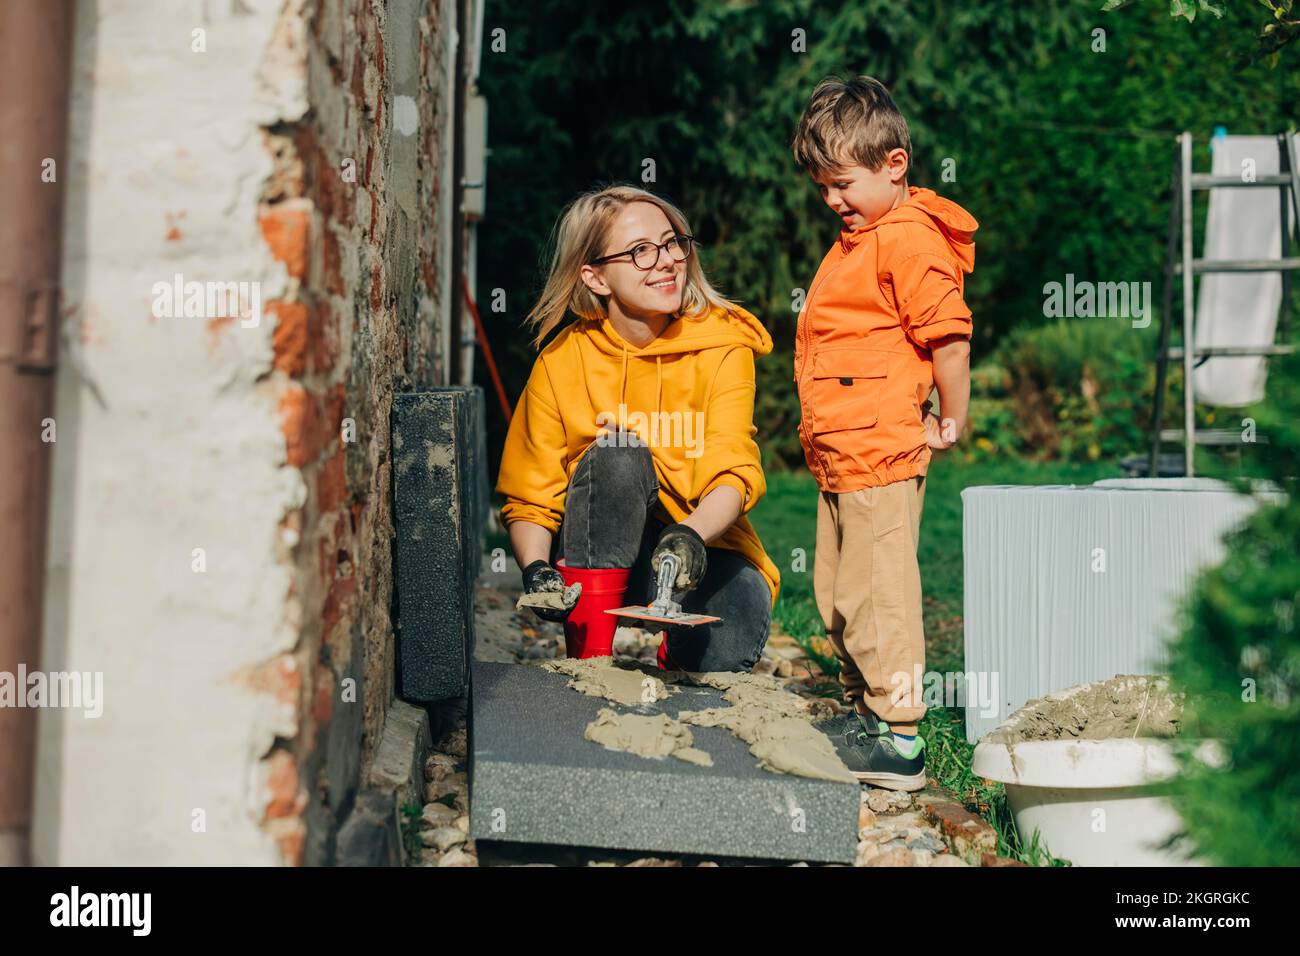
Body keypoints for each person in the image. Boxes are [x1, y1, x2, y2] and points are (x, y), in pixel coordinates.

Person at [495, 185, 780, 671]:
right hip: (596, 547)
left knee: (737, 622)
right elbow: (530, 494)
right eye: (640, 251)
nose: (666, 260)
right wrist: (539, 569)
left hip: (697, 541)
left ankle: (674, 646)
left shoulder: (723, 345)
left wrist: (690, 536)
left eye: (671, 243)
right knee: (619, 453)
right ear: (596, 276)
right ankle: (589, 659)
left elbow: (733, 470)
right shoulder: (563, 360)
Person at [790, 76, 976, 790]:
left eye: (842, 183)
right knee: (840, 593)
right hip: (844, 453)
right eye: (823, 186)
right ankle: (869, 712)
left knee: (880, 596)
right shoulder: (861, 236)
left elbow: (949, 340)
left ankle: (901, 739)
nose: (832, 199)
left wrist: (951, 416)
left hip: (881, 450)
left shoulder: (908, 241)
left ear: (893, 164)